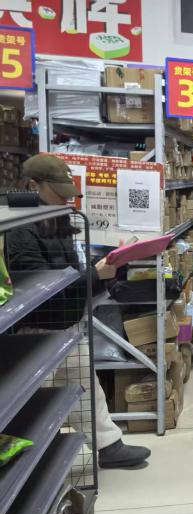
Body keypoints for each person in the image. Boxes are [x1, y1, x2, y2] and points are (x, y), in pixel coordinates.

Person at [7, 154, 151, 469]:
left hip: (66, 325)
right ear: (32, 186)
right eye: (58, 192)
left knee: (87, 386)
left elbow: (70, 278)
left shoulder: (56, 222)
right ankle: (32, 464)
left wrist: (103, 273)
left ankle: (109, 446)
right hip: (37, 333)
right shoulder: (18, 231)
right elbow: (38, 290)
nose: (66, 199)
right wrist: (94, 275)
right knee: (37, 402)